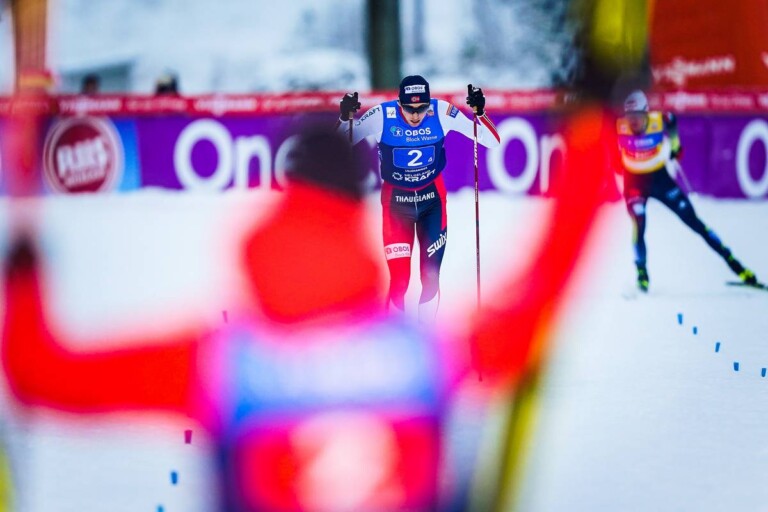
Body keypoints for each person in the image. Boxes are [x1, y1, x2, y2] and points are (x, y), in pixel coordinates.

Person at [2, 119, 608, 511]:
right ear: (354, 213)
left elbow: (37, 375)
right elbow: (541, 293)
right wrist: (591, 134)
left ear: (282, 201)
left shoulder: (224, 362)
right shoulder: (424, 352)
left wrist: (24, 273)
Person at [336, 76, 501, 322]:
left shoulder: (442, 111)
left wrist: (479, 112)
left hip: (432, 204)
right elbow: (341, 144)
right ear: (399, 103)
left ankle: (426, 339)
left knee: (430, 277)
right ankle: (393, 342)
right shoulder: (382, 115)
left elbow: (491, 141)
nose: (415, 116)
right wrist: (345, 119)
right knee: (400, 279)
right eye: (409, 109)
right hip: (396, 206)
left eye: (421, 109)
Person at [616, 90, 759, 292]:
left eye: (637, 117)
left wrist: (675, 146)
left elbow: (672, 122)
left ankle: (737, 266)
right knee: (639, 219)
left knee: (695, 223)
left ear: (646, 112)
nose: (633, 122)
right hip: (634, 182)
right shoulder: (619, 125)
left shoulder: (659, 120)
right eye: (630, 117)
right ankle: (642, 273)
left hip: (659, 179)